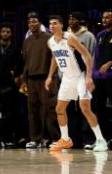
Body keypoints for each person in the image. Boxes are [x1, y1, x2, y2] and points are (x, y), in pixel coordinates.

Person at [44, 15, 107, 152]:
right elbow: (55, 58)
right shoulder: (50, 42)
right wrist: (49, 76)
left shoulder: (70, 38)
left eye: (55, 23)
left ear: (61, 25)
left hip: (80, 76)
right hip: (67, 78)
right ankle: (65, 140)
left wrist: (89, 77)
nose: (52, 26)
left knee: (85, 108)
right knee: (59, 109)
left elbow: (87, 55)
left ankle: (101, 141)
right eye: (50, 24)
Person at [22, 11, 57, 148]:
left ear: (40, 23)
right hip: (31, 79)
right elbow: (26, 61)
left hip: (46, 78)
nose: (31, 24)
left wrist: (51, 76)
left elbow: (54, 59)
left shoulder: (49, 38)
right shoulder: (27, 41)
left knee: (50, 109)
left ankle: (55, 138)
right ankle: (36, 139)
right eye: (29, 22)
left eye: (34, 22)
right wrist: (24, 78)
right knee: (33, 110)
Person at [92, 9, 112, 147]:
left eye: (107, 17)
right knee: (99, 110)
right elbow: (96, 56)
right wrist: (92, 73)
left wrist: (110, 63)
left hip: (111, 76)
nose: (104, 19)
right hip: (99, 78)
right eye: (103, 17)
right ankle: (102, 139)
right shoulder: (99, 35)